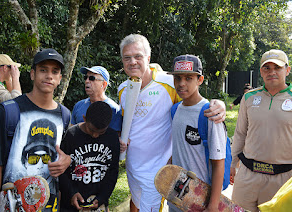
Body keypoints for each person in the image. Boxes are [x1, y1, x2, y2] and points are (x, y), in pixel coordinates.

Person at [118, 34, 227, 212]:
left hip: (159, 169)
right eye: (127, 58)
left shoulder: (169, 82)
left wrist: (218, 104)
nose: (132, 62)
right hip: (132, 167)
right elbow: (128, 122)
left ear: (148, 58)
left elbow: (192, 99)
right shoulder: (122, 88)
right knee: (135, 204)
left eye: (138, 56)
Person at [0, 48, 72, 212]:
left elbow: (66, 158)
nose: (49, 76)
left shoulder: (65, 115)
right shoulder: (9, 111)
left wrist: (67, 160)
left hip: (49, 205)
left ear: (60, 78)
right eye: (43, 70)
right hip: (11, 205)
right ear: (32, 74)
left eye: (55, 71)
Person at [230, 49, 292, 212]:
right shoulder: (249, 98)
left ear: (287, 70)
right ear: (261, 72)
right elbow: (240, 133)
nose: (272, 72)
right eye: (267, 68)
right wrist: (232, 162)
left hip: (283, 177)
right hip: (247, 174)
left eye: (277, 68)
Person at [168, 55, 227, 212]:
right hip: (176, 198)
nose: (181, 83)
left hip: (201, 202)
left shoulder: (210, 113)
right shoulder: (175, 110)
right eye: (178, 78)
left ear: (200, 80)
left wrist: (213, 206)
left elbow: (218, 162)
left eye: (189, 78)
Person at [59, 101, 120, 212]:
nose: (95, 135)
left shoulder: (112, 138)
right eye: (91, 130)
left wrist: (102, 197)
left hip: (98, 203)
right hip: (70, 204)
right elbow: (62, 172)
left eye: (101, 132)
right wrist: (71, 192)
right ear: (84, 118)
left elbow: (113, 171)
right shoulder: (71, 136)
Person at [71, 66, 122, 132]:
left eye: (92, 78)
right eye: (85, 77)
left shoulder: (114, 109)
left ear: (103, 84)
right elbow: (72, 132)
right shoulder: (79, 105)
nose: (87, 81)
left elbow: (115, 137)